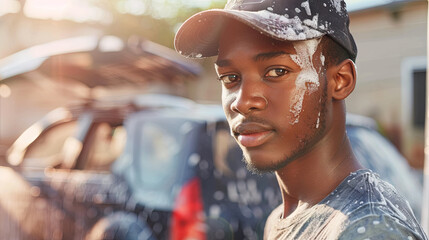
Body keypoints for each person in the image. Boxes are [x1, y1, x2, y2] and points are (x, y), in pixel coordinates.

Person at [174, 0, 428, 239]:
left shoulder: (368, 228)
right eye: (230, 77)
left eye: (276, 71)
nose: (242, 101)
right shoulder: (283, 216)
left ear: (341, 80)